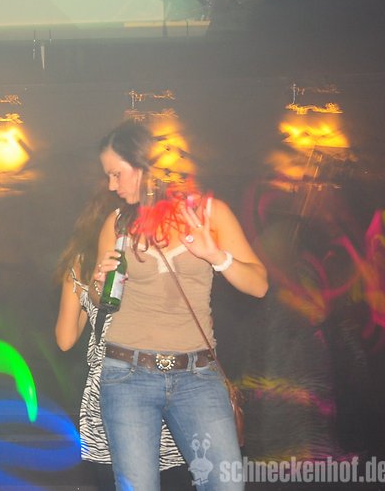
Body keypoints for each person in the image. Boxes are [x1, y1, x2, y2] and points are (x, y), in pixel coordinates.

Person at [90, 120, 268, 491]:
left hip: (197, 376)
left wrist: (216, 256)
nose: (111, 185)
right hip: (128, 374)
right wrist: (97, 281)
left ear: (142, 165)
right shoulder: (117, 223)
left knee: (227, 485)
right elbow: (99, 300)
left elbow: (259, 286)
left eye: (116, 174)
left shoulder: (209, 213)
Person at [54, 184, 186, 490]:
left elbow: (64, 339)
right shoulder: (151, 256)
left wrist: (86, 297)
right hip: (160, 375)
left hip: (108, 387)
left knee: (115, 478)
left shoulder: (80, 264)